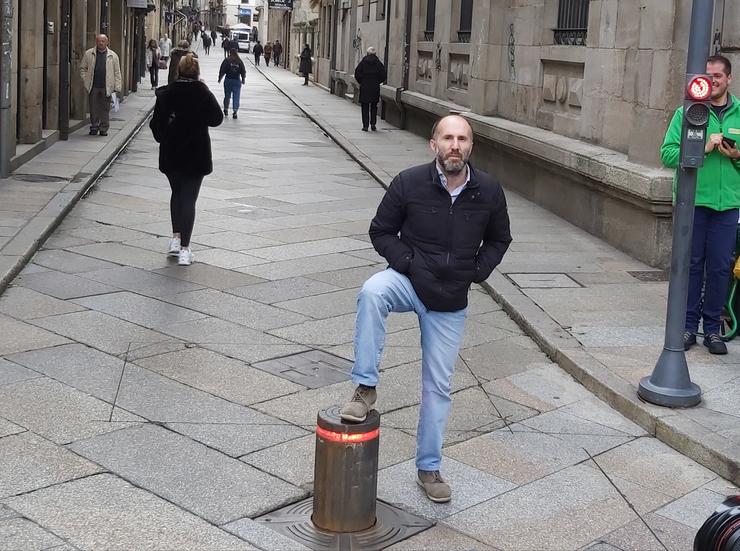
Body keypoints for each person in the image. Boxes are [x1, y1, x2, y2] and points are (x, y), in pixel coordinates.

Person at [339, 114, 511, 503]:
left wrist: (477, 271)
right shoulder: (409, 182)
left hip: (449, 299)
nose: (455, 145)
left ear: (471, 146)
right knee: (372, 291)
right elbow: (380, 230)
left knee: (438, 387)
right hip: (409, 281)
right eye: (447, 138)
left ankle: (429, 468)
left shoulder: (488, 190)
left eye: (462, 139)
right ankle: (365, 387)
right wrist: (407, 263)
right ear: (433, 144)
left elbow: (501, 239)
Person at [662, 54, 740, 355]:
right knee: (690, 267)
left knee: (720, 268)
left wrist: (736, 156)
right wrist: (703, 148)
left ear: (728, 79)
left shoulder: (739, 113)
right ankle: (686, 327)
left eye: (717, 76)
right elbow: (667, 154)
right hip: (692, 203)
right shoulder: (687, 112)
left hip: (728, 205)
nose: (711, 81)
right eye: (707, 76)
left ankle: (712, 330)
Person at [150, 54, 223, 266]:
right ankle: (184, 250)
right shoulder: (202, 92)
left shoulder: (168, 92)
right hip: (195, 153)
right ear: (197, 72)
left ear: (179, 70)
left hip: (171, 153)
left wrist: (165, 137)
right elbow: (216, 119)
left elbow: (156, 125)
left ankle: (175, 239)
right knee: (189, 198)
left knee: (177, 194)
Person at [79, 34, 122, 137]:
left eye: (103, 41)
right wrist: (86, 80)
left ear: (107, 42)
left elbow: (117, 72)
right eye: (99, 41)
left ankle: (103, 128)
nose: (100, 43)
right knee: (93, 108)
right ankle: (94, 126)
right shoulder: (89, 54)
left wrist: (117, 86)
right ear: (96, 42)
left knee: (105, 109)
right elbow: (83, 69)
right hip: (93, 86)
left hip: (107, 86)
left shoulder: (113, 55)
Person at [354, 46, 386, 131]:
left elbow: (357, 73)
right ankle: (373, 124)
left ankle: (365, 126)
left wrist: (362, 81)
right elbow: (383, 75)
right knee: (374, 106)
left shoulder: (363, 62)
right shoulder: (378, 63)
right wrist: (377, 82)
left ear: (367, 53)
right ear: (375, 54)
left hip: (365, 87)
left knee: (365, 106)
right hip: (374, 88)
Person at [219, 49, 246, 119]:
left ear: (230, 53)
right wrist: (243, 79)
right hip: (237, 81)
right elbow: (243, 71)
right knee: (236, 96)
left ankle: (225, 108)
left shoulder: (227, 60)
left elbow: (222, 69)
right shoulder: (239, 61)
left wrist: (220, 78)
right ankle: (235, 111)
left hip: (228, 80)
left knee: (227, 96)